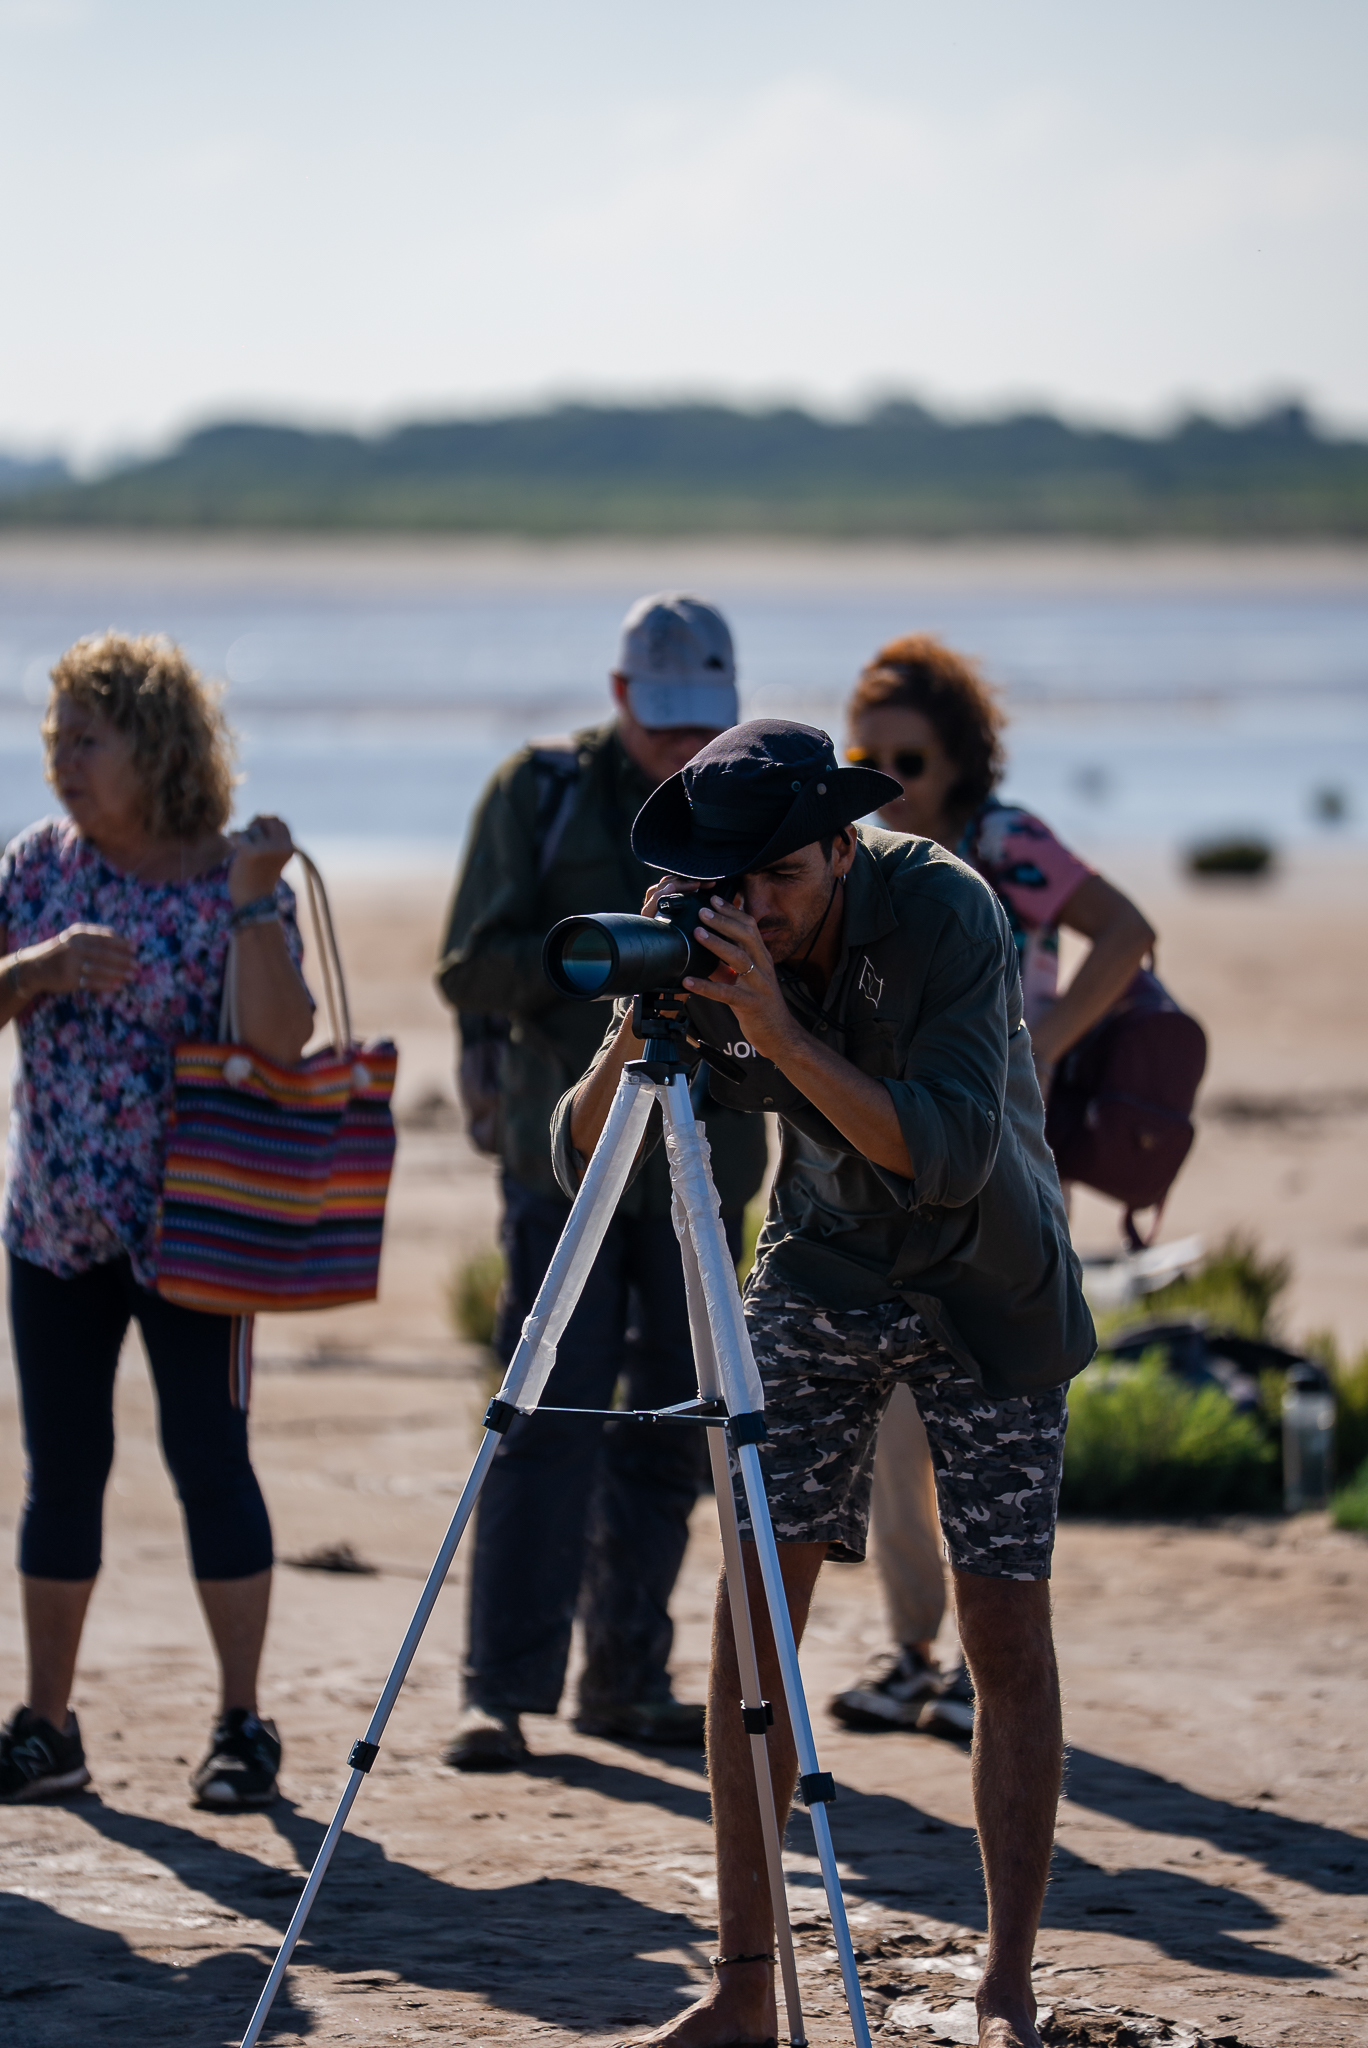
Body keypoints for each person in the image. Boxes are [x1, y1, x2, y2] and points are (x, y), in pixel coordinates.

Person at [556, 718, 1095, 2048]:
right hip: (823, 1271)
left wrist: (779, 1030)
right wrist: (640, 1019)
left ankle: (1006, 1986)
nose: (763, 909)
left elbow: (952, 1157)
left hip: (991, 1276)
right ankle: (744, 1986)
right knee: (752, 1631)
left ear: (844, 851)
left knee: (1005, 1634)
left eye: (785, 879)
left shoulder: (946, 914)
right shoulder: (724, 935)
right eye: (736, 886)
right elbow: (580, 1160)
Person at [436, 594, 767, 1770]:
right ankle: (499, 1693)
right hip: (563, 1158)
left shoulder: (753, 797)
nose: (686, 746)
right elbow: (466, 963)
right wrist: (604, 961)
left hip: (706, 1156)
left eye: (703, 722)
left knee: (681, 1431)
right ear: (621, 694)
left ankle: (626, 1678)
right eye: (666, 719)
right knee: (541, 1420)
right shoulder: (540, 791)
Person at [0, 632, 314, 1810]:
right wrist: (32, 968)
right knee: (60, 1468)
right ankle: (46, 1723)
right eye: (56, 737)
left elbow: (286, 1043)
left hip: (200, 1230)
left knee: (208, 1459)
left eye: (90, 736)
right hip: (55, 1226)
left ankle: (242, 1721)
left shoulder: (229, 871)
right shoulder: (37, 865)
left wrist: (248, 908)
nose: (63, 759)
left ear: (160, 744)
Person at [832, 634, 1154, 1740]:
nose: (889, 777)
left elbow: (1127, 928)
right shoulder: (853, 859)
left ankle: (984, 1661)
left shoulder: (1006, 841)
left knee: (984, 1402)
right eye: (866, 753)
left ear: (960, 758)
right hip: (889, 1164)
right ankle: (916, 1649)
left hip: (1003, 1168)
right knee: (895, 1418)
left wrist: (1046, 1037)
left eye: (909, 758)